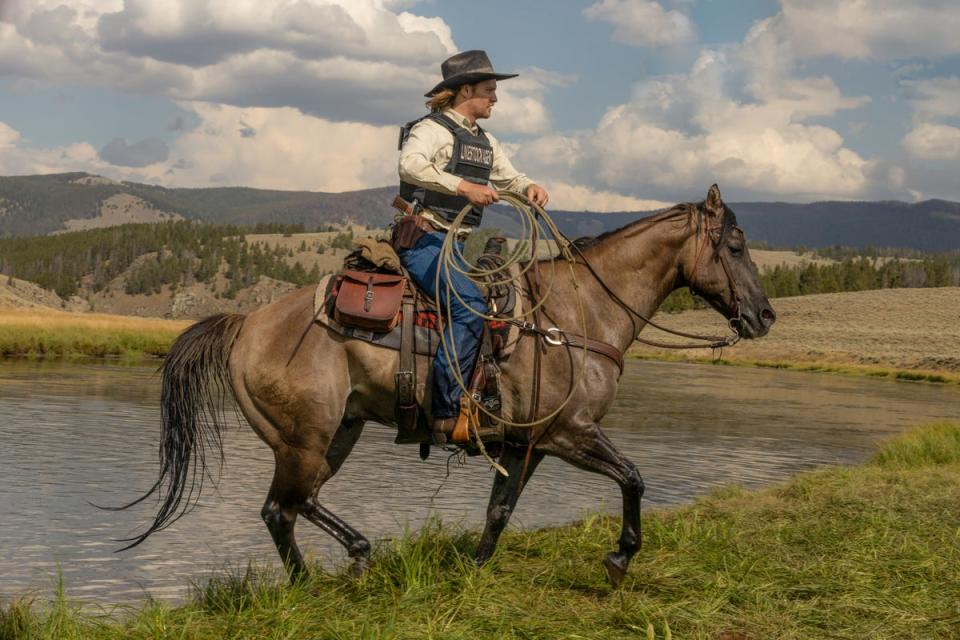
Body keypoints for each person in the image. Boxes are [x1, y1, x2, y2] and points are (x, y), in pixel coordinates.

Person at [397, 49, 549, 445]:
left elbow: (510, 178)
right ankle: (445, 410)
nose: (495, 99)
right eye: (489, 90)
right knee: (470, 308)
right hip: (425, 239)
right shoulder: (431, 130)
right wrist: (464, 187)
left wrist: (527, 187)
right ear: (466, 90)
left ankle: (485, 392)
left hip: (457, 244)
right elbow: (410, 166)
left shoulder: (485, 142)